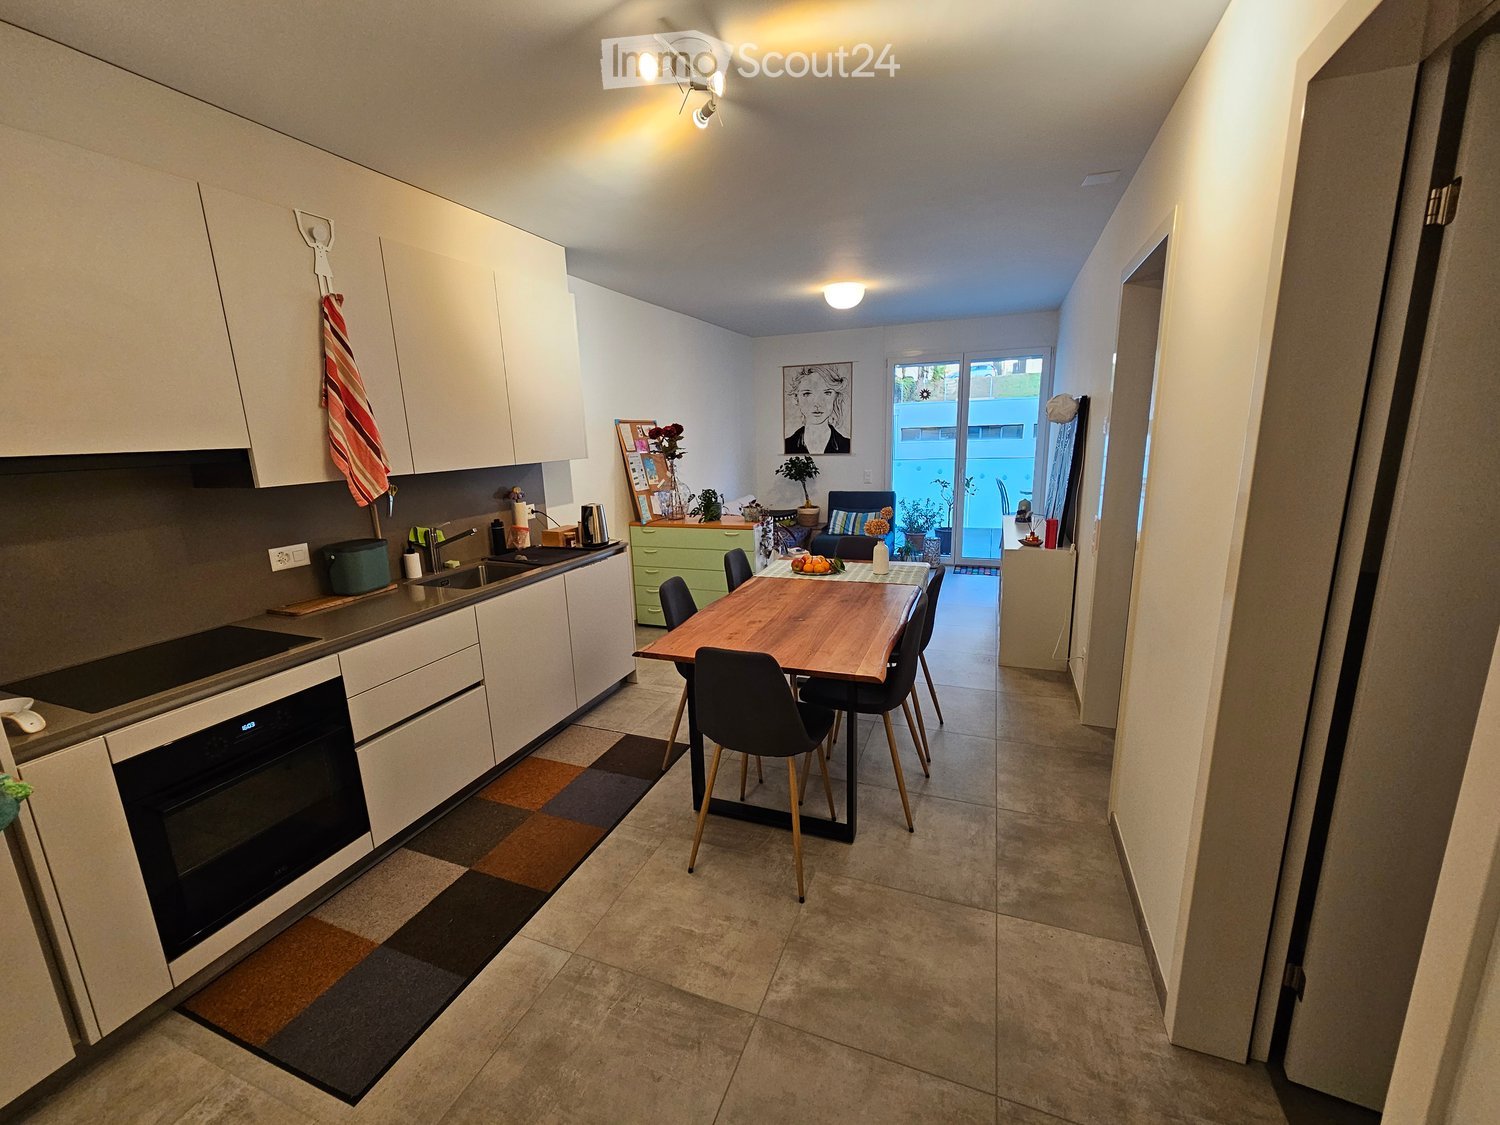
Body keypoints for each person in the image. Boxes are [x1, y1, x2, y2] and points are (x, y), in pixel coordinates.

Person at [784, 365, 851, 454]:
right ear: (796, 398)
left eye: (827, 393)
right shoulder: (788, 445)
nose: (817, 404)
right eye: (807, 394)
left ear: (836, 397)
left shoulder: (847, 445)